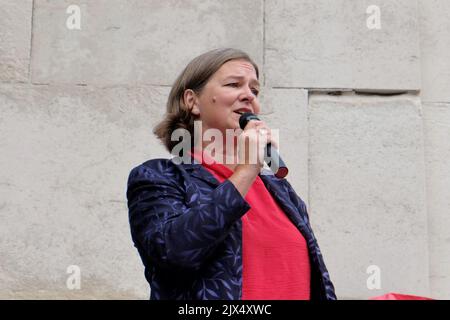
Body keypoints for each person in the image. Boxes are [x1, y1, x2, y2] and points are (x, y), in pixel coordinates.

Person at [126, 48, 336, 300]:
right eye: (234, 84)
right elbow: (173, 253)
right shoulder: (160, 176)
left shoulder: (280, 191)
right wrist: (247, 169)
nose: (248, 95)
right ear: (191, 101)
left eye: (255, 90)